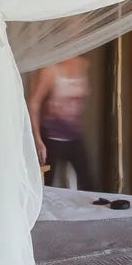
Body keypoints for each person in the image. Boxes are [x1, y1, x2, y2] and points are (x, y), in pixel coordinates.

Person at [28, 54, 91, 189]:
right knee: (47, 187)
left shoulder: (82, 64)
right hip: (51, 138)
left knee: (88, 183)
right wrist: (38, 141)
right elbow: (34, 103)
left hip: (74, 137)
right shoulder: (50, 69)